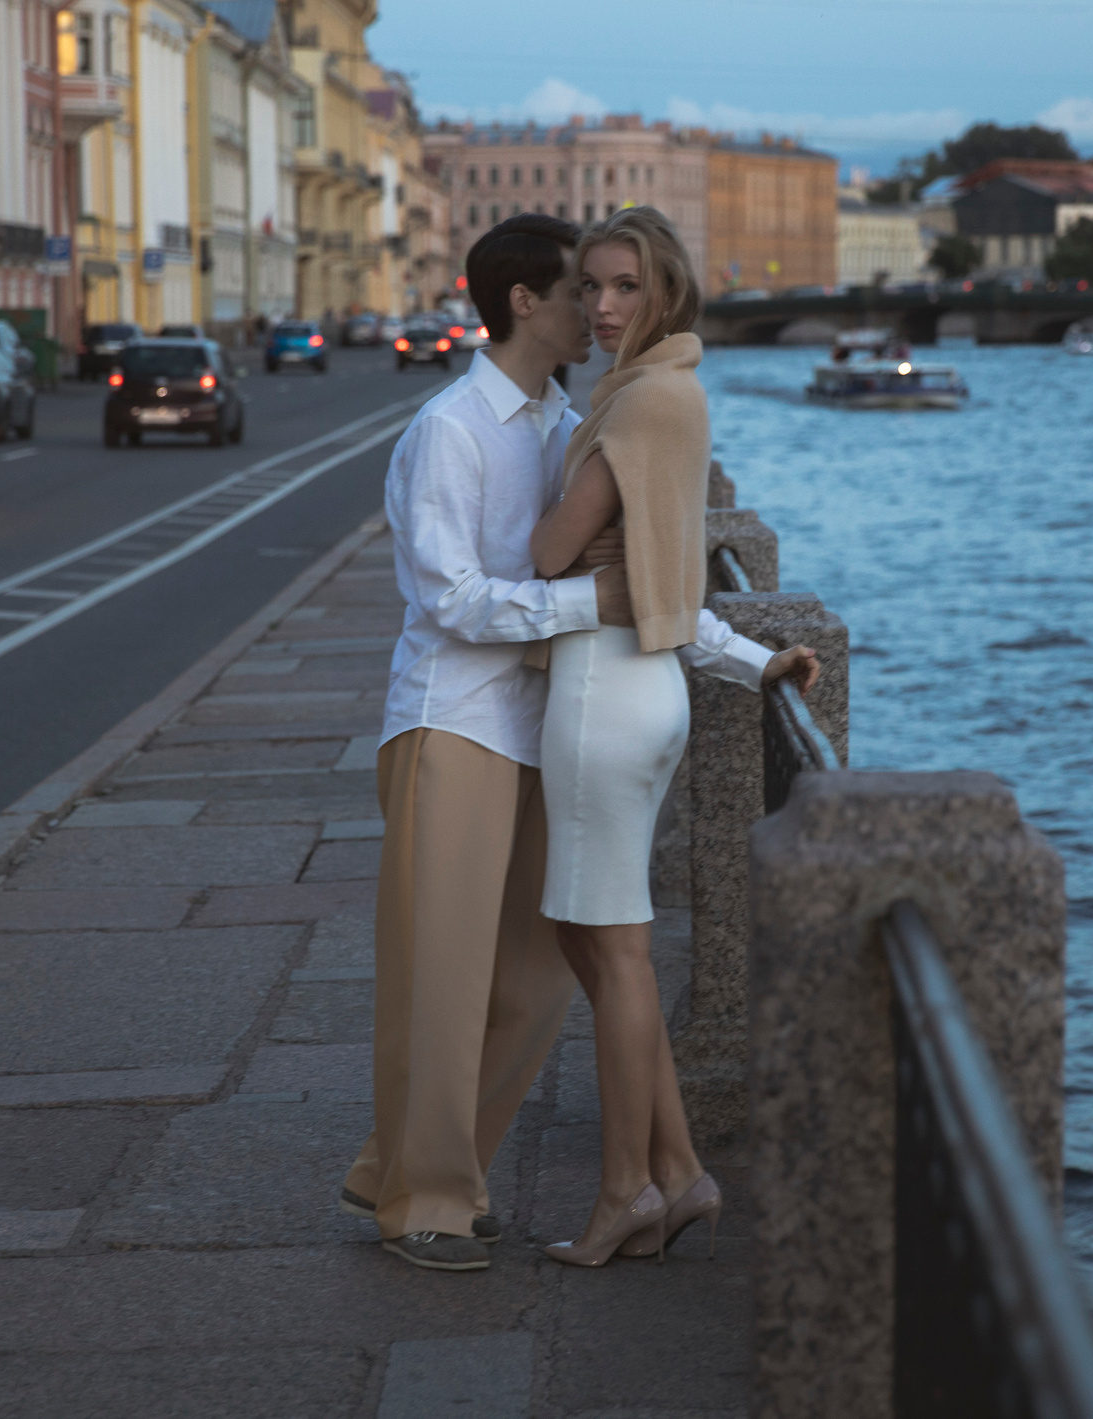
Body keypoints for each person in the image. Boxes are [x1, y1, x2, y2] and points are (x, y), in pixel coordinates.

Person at [527, 206, 822, 1268]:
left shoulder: (637, 403)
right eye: (591, 286)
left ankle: (624, 1194)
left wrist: (560, 510)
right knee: (597, 946)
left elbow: (551, 552)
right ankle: (680, 1170)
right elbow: (673, 569)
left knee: (615, 956)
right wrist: (756, 660)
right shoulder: (668, 391)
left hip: (605, 696)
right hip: (646, 687)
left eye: (625, 289)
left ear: (667, 297)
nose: (602, 308)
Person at [339, 213, 615, 1273]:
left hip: (535, 727)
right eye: (578, 291)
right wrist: (590, 607)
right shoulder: (450, 429)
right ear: (522, 304)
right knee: (440, 979)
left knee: (536, 978)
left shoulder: (559, 421)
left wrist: (741, 656)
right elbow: (451, 600)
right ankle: (428, 1202)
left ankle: (396, 1166)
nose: (596, 310)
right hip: (450, 723)